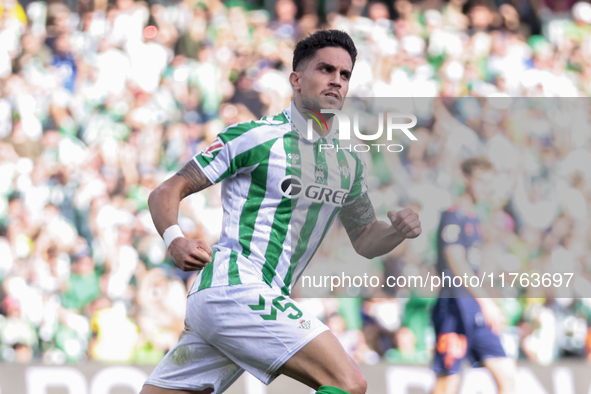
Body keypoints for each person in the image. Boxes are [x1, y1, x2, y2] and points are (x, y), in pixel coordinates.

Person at [141, 29, 422, 394]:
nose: (336, 80)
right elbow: (167, 190)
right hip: (236, 288)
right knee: (348, 383)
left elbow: (366, 239)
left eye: (345, 74)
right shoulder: (256, 137)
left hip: (251, 300)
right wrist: (174, 240)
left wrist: (396, 230)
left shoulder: (348, 162)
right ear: (296, 79)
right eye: (325, 69)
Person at [431, 157, 515, 394]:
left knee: (507, 373)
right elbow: (455, 262)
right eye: (481, 180)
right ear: (466, 180)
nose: (485, 187)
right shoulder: (453, 215)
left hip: (474, 307)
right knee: (448, 381)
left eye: (490, 182)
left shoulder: (475, 218)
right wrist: (485, 300)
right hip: (455, 307)